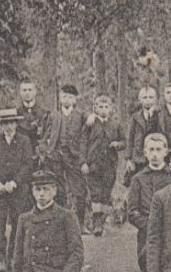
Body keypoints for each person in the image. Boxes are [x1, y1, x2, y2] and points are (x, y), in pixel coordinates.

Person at [126, 131, 171, 272]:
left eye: (158, 150)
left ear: (166, 151)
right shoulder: (138, 179)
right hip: (147, 243)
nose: (155, 155)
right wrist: (151, 227)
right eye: (151, 150)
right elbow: (132, 212)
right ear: (144, 153)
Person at [0, 107, 32, 272]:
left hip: (18, 190)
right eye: (5, 123)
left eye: (12, 122)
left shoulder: (24, 141)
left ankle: (14, 257)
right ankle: (1, 259)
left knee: (18, 223)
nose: (9, 126)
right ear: (1, 125)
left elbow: (28, 165)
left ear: (16, 124)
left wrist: (15, 182)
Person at [43, 84, 89, 223]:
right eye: (64, 96)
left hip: (73, 156)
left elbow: (88, 127)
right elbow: (46, 135)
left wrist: (91, 117)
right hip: (56, 155)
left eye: (70, 97)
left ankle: (80, 223)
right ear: (60, 99)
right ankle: (60, 222)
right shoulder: (53, 115)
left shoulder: (80, 115)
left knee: (79, 190)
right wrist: (45, 150)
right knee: (59, 189)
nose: (67, 99)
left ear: (75, 100)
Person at [83, 94, 123, 235]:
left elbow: (124, 141)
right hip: (94, 163)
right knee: (95, 193)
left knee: (106, 193)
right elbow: (83, 143)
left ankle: (102, 221)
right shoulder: (90, 124)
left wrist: (118, 144)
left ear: (111, 108)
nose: (103, 109)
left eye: (106, 107)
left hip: (109, 164)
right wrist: (83, 162)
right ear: (95, 108)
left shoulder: (115, 124)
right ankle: (97, 223)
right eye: (100, 106)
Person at [125, 85, 163, 186]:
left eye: (151, 97)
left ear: (155, 99)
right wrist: (129, 159)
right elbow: (130, 138)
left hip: (154, 155)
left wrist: (154, 115)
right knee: (139, 182)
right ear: (140, 100)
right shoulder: (136, 117)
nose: (148, 100)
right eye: (145, 98)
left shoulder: (159, 115)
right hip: (139, 156)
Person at [16, 80, 48, 160]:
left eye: (30, 90)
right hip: (20, 155)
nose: (27, 93)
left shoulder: (45, 113)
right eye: (24, 90)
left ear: (35, 92)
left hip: (40, 156)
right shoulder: (15, 114)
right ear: (20, 92)